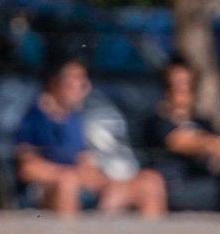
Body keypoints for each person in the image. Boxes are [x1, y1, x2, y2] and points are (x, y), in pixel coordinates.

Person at [14, 58, 166, 218]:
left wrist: (102, 182)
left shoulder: (77, 118)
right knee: (67, 184)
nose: (82, 86)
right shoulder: (33, 118)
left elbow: (84, 160)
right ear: (54, 82)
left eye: (83, 79)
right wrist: (71, 175)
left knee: (150, 181)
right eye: (75, 78)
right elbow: (27, 169)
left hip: (84, 187)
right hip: (50, 191)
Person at [143, 57, 220, 213]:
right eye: (175, 85)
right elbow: (181, 142)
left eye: (186, 84)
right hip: (174, 187)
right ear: (166, 88)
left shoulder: (203, 123)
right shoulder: (159, 121)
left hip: (203, 182)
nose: (181, 90)